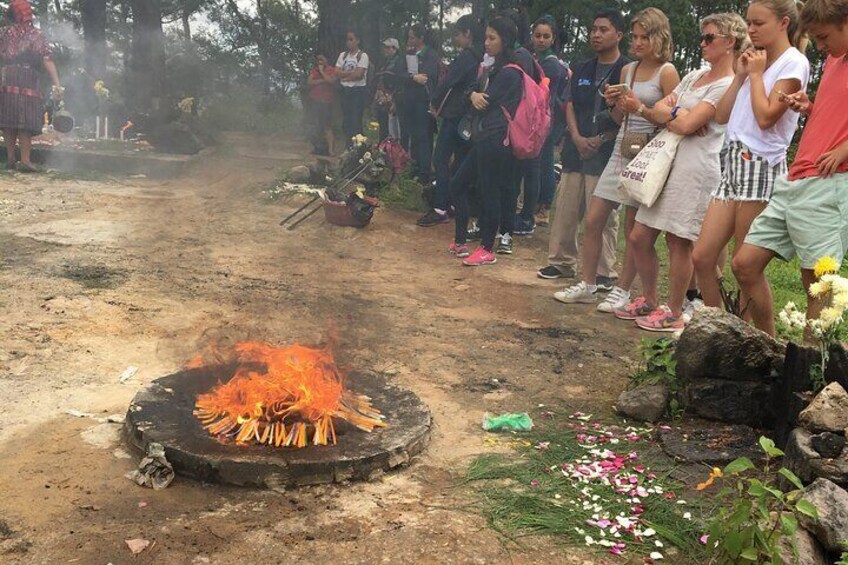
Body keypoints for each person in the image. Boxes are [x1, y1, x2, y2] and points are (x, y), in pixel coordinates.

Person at [733, 0, 848, 337]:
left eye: (825, 37)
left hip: (830, 181)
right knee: (744, 264)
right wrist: (809, 106)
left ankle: (811, 370)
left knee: (819, 282)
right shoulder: (834, 59)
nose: (822, 46)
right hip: (796, 177)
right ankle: (768, 346)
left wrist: (843, 148)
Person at [552, 8, 679, 313]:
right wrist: (615, 104)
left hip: (647, 151)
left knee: (633, 231)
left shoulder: (667, 71)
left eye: (643, 37)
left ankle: (621, 288)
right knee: (594, 218)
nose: (637, 42)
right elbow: (619, 117)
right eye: (634, 36)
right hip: (623, 146)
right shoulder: (628, 70)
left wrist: (639, 108)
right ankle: (588, 283)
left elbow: (674, 117)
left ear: (658, 37)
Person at [624, 14, 741, 332]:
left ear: (730, 43)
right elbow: (660, 109)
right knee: (639, 235)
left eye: (709, 38)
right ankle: (650, 298)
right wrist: (680, 114)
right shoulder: (695, 76)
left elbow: (686, 123)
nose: (702, 43)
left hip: (695, 169)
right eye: (702, 38)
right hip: (668, 162)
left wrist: (676, 116)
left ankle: (674, 310)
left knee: (679, 241)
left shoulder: (727, 85)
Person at [693, 0, 810, 310]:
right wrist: (742, 76)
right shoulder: (755, 61)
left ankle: (751, 339)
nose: (751, 29)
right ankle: (719, 326)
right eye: (749, 22)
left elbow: (766, 117)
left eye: (759, 22)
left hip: (759, 162)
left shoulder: (793, 62)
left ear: (783, 23)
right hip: (732, 160)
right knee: (702, 256)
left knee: (743, 266)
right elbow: (721, 115)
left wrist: (757, 76)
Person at [537, 10, 627, 284]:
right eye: (593, 30)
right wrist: (576, 137)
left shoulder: (626, 69)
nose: (596, 34)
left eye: (603, 29)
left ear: (618, 35)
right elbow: (570, 104)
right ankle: (561, 262)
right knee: (565, 209)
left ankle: (603, 272)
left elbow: (626, 112)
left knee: (603, 218)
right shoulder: (582, 67)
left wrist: (599, 140)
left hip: (607, 154)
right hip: (575, 152)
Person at [447, 16, 522, 267]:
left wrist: (474, 96)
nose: (486, 43)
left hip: (496, 139)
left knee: (490, 192)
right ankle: (459, 243)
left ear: (505, 40)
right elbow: (471, 92)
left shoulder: (511, 72)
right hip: (483, 138)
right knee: (458, 184)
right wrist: (472, 94)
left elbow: (483, 102)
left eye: (492, 38)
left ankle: (487, 248)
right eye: (486, 37)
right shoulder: (490, 68)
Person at [417, 15, 484, 228]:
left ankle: (440, 207)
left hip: (455, 114)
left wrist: (434, 102)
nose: (456, 38)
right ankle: (455, 202)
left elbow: (448, 81)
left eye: (458, 34)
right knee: (460, 163)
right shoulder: (484, 57)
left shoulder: (468, 56)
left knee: (441, 158)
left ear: (467, 34)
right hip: (471, 116)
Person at [513, 15, 568, 237]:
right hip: (533, 120)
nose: (541, 40)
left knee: (541, 165)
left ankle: (538, 210)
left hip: (545, 121)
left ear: (553, 38)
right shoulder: (537, 59)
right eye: (538, 35)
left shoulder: (551, 64)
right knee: (534, 165)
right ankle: (530, 208)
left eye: (546, 36)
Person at [0, 0, 61, 173]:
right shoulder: (35, 35)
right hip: (27, 78)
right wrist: (57, 83)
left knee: (8, 119)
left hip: (6, 77)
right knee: (24, 120)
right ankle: (25, 160)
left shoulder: (3, 33)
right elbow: (47, 59)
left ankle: (11, 158)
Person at [400, 24, 440, 184]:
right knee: (413, 135)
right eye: (408, 37)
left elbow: (427, 76)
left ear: (421, 38)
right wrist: (412, 78)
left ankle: (425, 173)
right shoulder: (408, 53)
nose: (409, 40)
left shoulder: (430, 54)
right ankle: (414, 167)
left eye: (412, 37)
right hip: (409, 100)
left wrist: (416, 76)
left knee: (424, 136)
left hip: (424, 101)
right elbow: (399, 73)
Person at [335, 30, 370, 143]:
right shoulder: (343, 55)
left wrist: (344, 75)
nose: (349, 42)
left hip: (357, 92)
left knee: (356, 121)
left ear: (358, 41)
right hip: (345, 91)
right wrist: (350, 74)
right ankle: (349, 145)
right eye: (347, 40)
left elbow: (359, 74)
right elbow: (336, 72)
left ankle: (359, 147)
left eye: (351, 39)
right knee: (346, 120)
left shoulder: (362, 56)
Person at [375, 38, 405, 142]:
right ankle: (383, 151)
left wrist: (394, 100)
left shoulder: (399, 63)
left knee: (393, 129)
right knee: (382, 126)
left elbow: (400, 82)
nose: (385, 50)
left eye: (388, 47)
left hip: (392, 98)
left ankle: (393, 153)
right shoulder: (383, 62)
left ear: (395, 49)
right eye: (385, 47)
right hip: (381, 98)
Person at [307, 53, 337, 156]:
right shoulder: (314, 70)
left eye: (322, 60)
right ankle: (318, 148)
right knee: (316, 125)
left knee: (327, 126)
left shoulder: (331, 70)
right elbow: (310, 82)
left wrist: (321, 71)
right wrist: (322, 80)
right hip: (315, 100)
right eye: (318, 60)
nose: (320, 62)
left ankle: (330, 150)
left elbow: (331, 81)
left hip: (327, 101)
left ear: (326, 60)